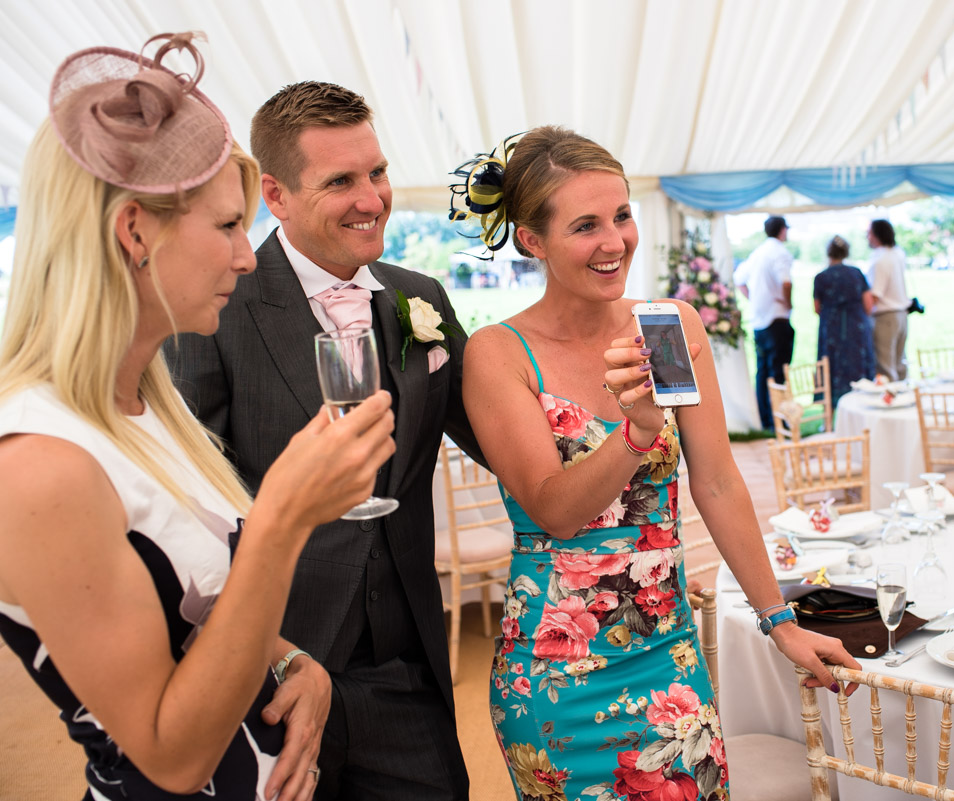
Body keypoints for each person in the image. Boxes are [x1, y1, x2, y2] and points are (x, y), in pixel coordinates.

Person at [0, 34, 396, 800]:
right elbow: (169, 757)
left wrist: (292, 662)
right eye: (225, 227)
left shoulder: (145, 408)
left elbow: (191, 609)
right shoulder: (39, 464)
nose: (248, 258)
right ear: (134, 234)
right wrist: (281, 518)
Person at [452, 126, 861, 800]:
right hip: (555, 678)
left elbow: (720, 483)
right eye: (585, 225)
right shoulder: (499, 352)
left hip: (667, 660)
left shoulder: (667, 327)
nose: (615, 241)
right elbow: (554, 509)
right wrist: (637, 433)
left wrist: (779, 621)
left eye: (621, 215)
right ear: (532, 239)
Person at [165, 81, 476, 799]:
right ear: (275, 194)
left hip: (405, 672)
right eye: (341, 181)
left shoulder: (419, 296)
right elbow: (191, 496)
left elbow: (494, 434)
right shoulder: (216, 304)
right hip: (269, 670)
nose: (372, 198)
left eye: (378, 172)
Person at [734, 214, 795, 431]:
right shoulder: (781, 252)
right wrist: (788, 303)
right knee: (779, 373)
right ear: (782, 230)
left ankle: (765, 419)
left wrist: (756, 300)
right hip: (777, 318)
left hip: (759, 320)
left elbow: (739, 279)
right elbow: (786, 282)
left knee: (762, 372)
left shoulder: (757, 253)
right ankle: (781, 420)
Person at [814, 235, 876, 408]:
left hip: (832, 328)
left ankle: (830, 412)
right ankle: (864, 406)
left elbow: (817, 307)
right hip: (856, 326)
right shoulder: (856, 273)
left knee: (831, 367)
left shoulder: (821, 277)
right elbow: (868, 305)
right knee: (859, 365)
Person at [865, 219, 909, 381]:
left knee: (886, 369)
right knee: (900, 364)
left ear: (877, 235)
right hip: (901, 315)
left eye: (869, 233)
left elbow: (875, 294)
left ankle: (890, 404)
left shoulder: (880, 259)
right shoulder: (897, 254)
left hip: (886, 317)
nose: (867, 237)